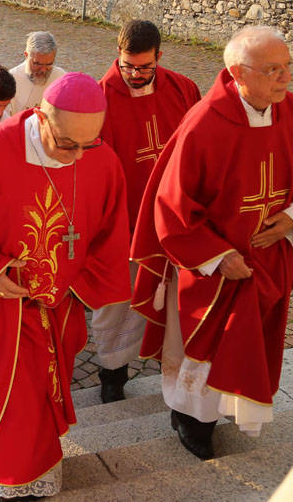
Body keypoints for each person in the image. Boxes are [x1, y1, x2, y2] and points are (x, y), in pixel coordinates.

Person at [0, 73, 131, 500]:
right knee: (7, 400)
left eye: (86, 145)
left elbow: (109, 229)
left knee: (42, 397)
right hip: (0, 308)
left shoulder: (99, 159)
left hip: (57, 307)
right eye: (67, 143)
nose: (76, 157)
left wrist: (81, 281)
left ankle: (40, 469)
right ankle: (5, 480)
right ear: (41, 116)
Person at [130, 25, 293, 461]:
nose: (286, 78)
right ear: (238, 72)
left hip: (268, 259)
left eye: (288, 67)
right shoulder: (204, 124)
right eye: (273, 70)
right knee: (206, 350)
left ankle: (227, 407)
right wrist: (218, 258)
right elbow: (173, 207)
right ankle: (191, 418)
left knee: (252, 344)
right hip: (215, 269)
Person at [92, 20, 201, 403]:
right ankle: (112, 373)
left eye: (144, 67)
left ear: (159, 57)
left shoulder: (183, 88)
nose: (135, 75)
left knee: (176, 297)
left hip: (174, 220)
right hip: (124, 223)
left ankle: (174, 371)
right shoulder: (100, 97)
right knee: (118, 300)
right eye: (127, 66)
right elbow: (91, 166)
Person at [8, 31, 66, 115]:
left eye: (49, 64)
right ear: (26, 55)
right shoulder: (11, 80)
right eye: (37, 64)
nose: (43, 70)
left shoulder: (61, 78)